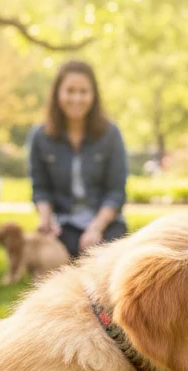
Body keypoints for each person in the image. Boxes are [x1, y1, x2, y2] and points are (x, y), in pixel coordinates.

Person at [27, 60, 128, 256]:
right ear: (58, 93)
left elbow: (116, 193)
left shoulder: (111, 134)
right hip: (63, 224)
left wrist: (96, 228)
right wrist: (46, 220)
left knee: (107, 266)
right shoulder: (40, 137)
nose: (77, 98)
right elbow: (40, 189)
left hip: (105, 224)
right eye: (70, 91)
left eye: (84, 92)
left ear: (93, 95)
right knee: (52, 263)